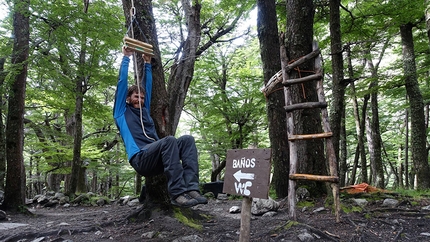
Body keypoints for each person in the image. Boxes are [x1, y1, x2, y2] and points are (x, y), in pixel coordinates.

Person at [113, 46, 207, 207]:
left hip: (158, 157)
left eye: (142, 98)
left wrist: (147, 63)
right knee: (169, 140)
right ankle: (177, 194)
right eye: (136, 97)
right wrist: (126, 58)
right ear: (128, 98)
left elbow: (147, 87)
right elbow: (122, 84)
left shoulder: (145, 111)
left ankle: (191, 188)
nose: (140, 100)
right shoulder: (121, 112)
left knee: (187, 140)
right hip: (141, 159)